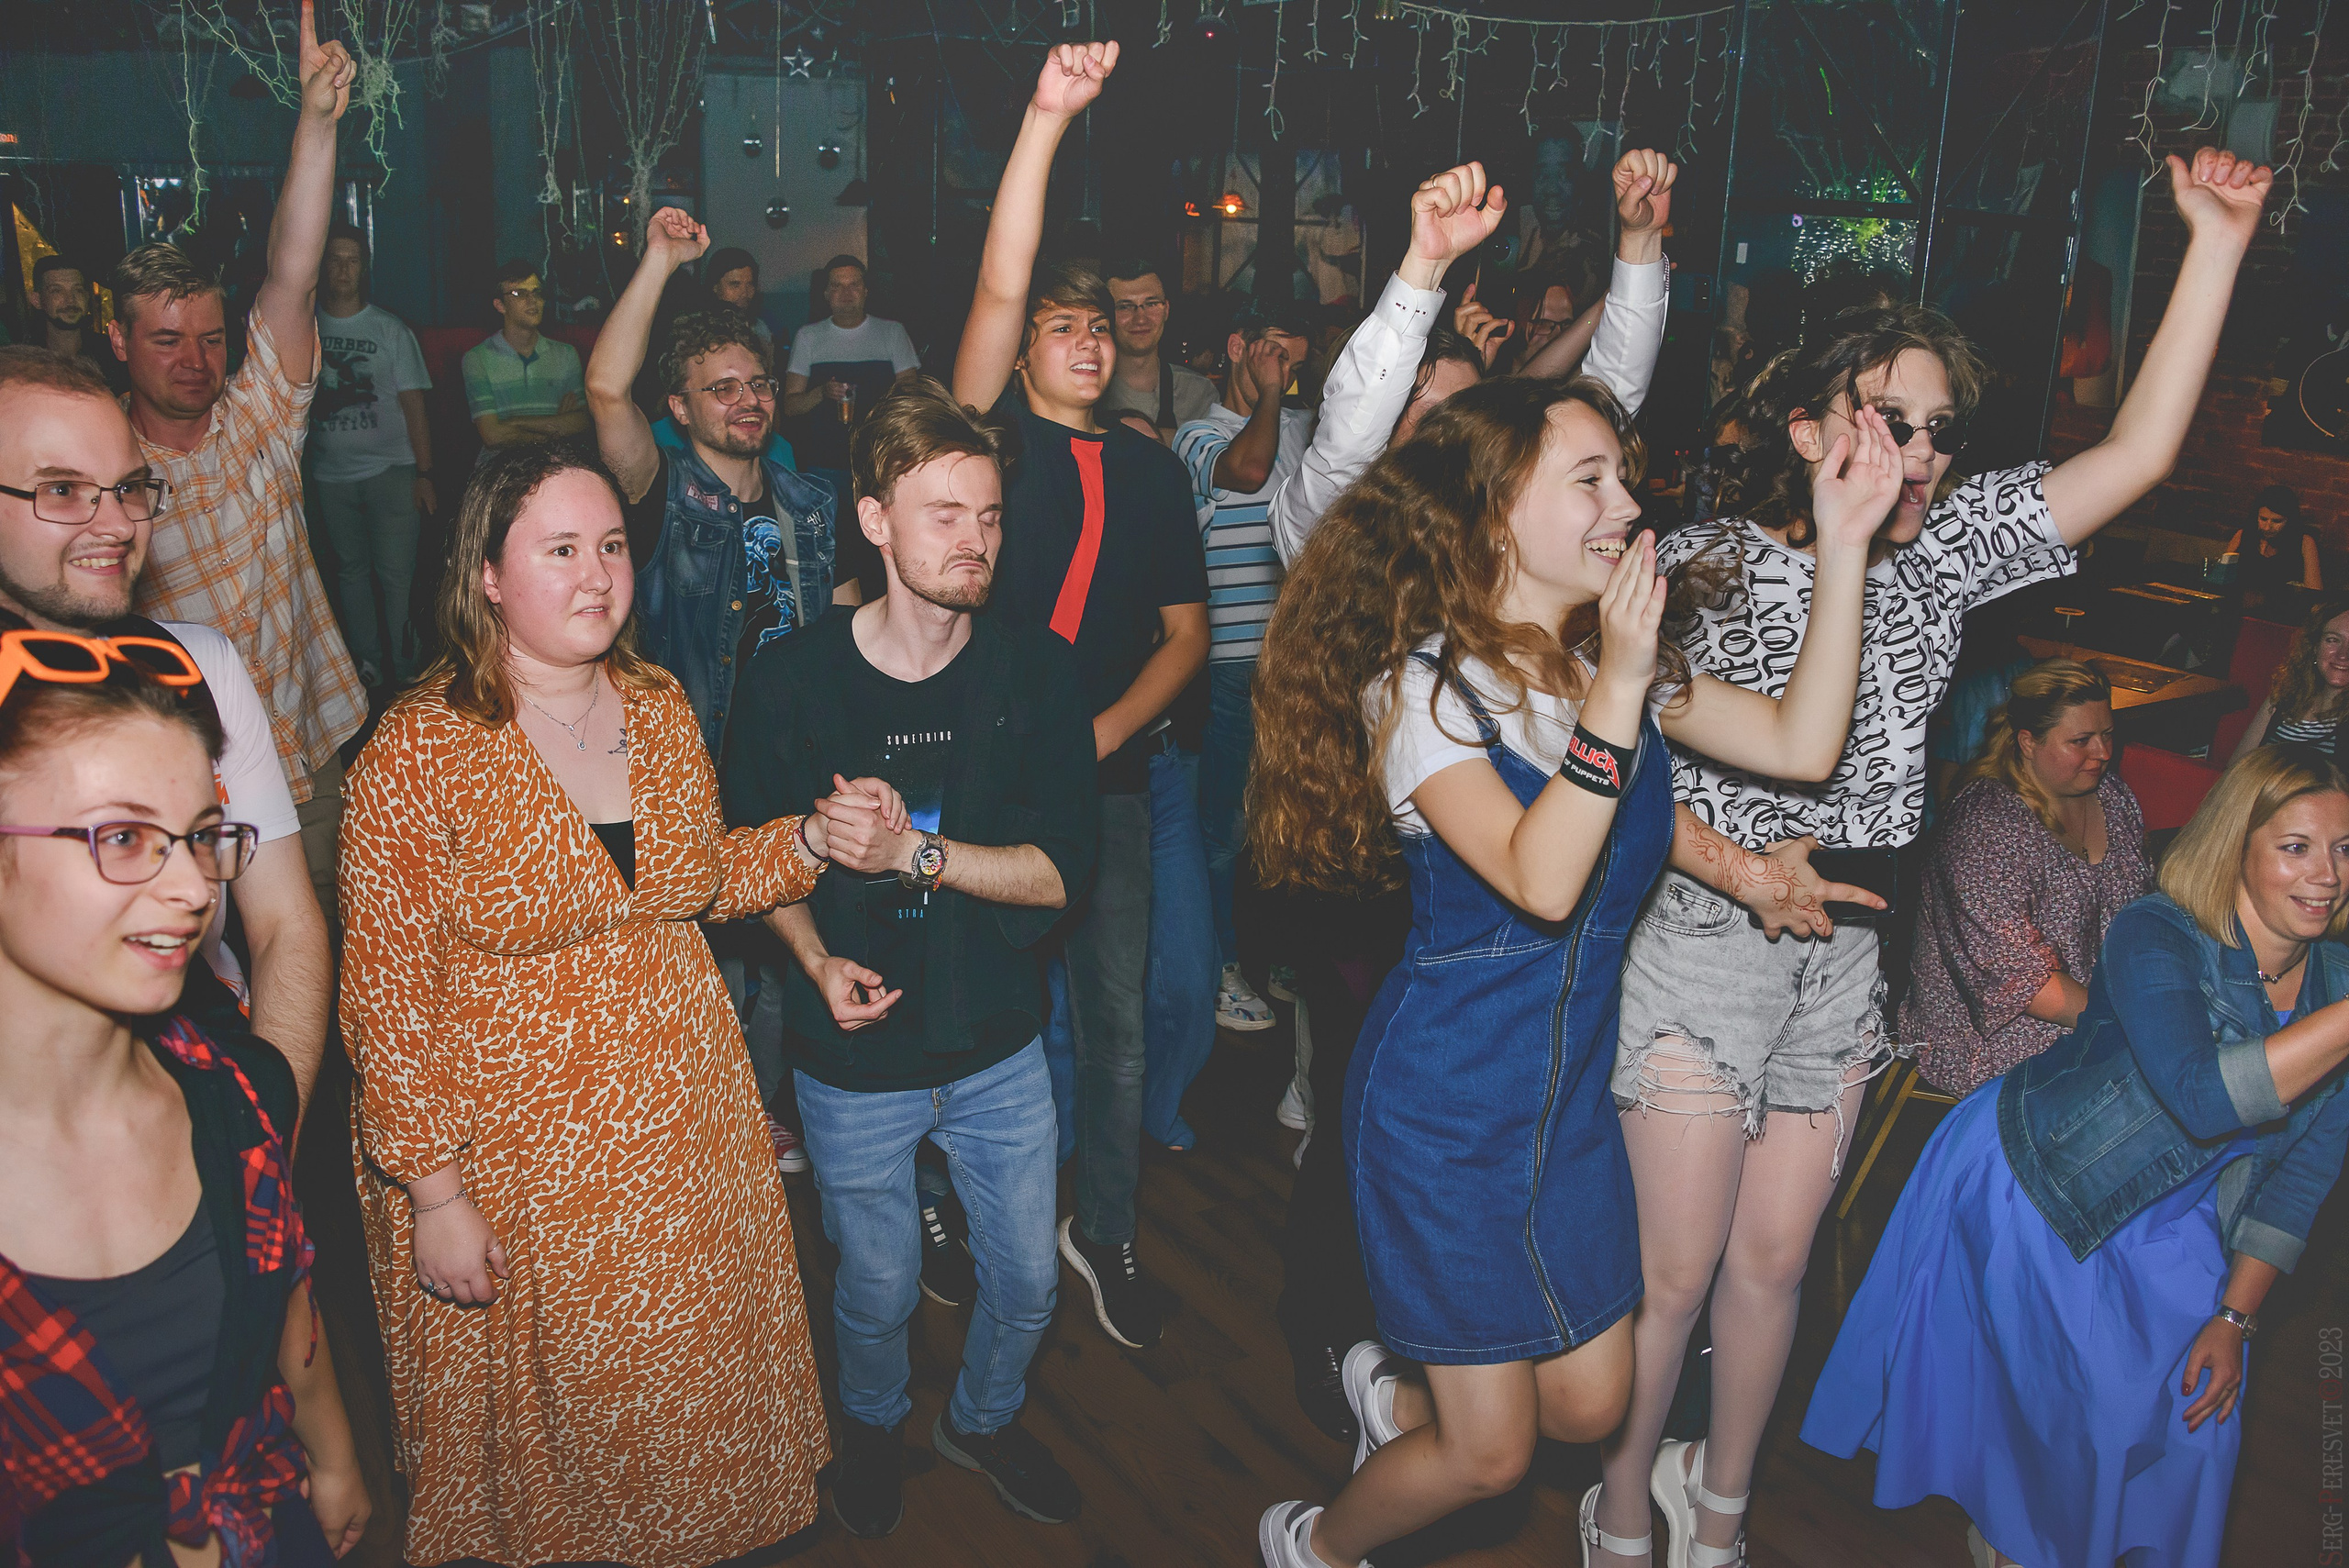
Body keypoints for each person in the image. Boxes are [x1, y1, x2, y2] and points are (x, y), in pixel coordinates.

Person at [1592, 146, 2274, 1568]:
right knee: (1672, 1278)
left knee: (1774, 1269)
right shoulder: (1704, 567)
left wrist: (2214, 243)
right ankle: (1616, 1514)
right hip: (1712, 941)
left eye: (1939, 430)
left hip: (1850, 958)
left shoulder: (1947, 549)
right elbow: (1627, 776)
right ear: (1803, 427)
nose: (1918, 456)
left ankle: (1718, 1522)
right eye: (1884, 421)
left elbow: (2141, 454)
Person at [1247, 374, 1893, 1568]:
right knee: (1491, 1458)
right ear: (1497, 514)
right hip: (1441, 1115)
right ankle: (1313, 1545)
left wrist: (1847, 543)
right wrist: (1621, 686)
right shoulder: (1427, 692)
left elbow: (1802, 744)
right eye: (1590, 479)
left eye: (1625, 475)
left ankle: (1395, 1401)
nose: (1627, 503)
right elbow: (1542, 879)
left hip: (1567, 1111)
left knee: (1595, 1408)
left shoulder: (1613, 661)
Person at [337, 439, 831, 1567]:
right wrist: (433, 1191)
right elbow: (386, 996)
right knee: (572, 1436)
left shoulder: (655, 704)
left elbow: (694, 882)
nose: (598, 573)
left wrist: (805, 840)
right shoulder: (417, 751)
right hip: (519, 1159)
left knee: (688, 1399)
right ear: (488, 577)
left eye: (610, 544)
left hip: (681, 1115)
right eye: (560, 549)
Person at [1259, 154, 1671, 1439]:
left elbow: (1601, 424)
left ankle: (1418, 1364)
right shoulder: (1344, 525)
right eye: (1425, 417)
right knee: (1369, 1144)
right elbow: (1351, 428)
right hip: (1384, 895)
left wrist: (1640, 258)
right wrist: (1420, 272)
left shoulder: (1533, 570)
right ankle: (1375, 1358)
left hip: (1504, 931)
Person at [1806, 743, 2349, 1568]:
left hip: (2180, 1214)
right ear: (2238, 843)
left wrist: (2236, 1318)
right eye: (2296, 846)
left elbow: (2302, 1172)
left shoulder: (2332, 979)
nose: (2327, 875)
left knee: (2190, 1432)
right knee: (2060, 1442)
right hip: (2043, 1182)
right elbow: (2203, 1097)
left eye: (2346, 847)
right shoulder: (2157, 931)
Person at [722, 378, 1099, 1535]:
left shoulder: (1034, 672)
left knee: (1028, 1281)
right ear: (875, 519)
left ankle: (979, 1421)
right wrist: (812, 958)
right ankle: (875, 1424)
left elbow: (1057, 873)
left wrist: (910, 853)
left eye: (987, 516)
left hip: (998, 1042)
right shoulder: (791, 677)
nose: (974, 539)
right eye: (944, 514)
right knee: (877, 1284)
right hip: (856, 1059)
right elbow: (744, 860)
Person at [0, 625, 368, 1567]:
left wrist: (330, 1456)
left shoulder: (230, 1087)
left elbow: (285, 1305)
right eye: (124, 837)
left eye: (202, 838)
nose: (193, 886)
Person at [952, 40, 1208, 1351]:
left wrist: (1099, 735)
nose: (1089, 341)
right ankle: (966, 1208)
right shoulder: (987, 435)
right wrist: (1046, 117)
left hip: (1107, 779)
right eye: (1066, 325)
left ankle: (1100, 1230)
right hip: (988, 776)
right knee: (989, 1011)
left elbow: (1186, 635)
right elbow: (1001, 280)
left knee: (1124, 1022)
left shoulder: (1157, 474)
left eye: (1101, 325)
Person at [0, 347, 329, 1115]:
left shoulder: (199, 667)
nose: (114, 524)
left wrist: (263, 1134)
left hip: (212, 1086)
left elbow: (284, 923)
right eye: (62, 490)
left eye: (128, 488)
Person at [116, 0, 367, 927]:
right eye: (168, 340)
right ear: (118, 340)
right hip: (181, 770)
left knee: (334, 954)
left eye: (213, 338)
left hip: (304, 747)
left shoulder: (258, 412)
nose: (197, 360)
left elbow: (292, 270)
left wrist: (315, 121)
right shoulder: (106, 472)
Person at [587, 206, 851, 761]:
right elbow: (607, 389)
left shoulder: (814, 502)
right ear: (680, 408)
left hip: (798, 759)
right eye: (723, 389)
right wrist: (659, 260)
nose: (749, 400)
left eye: (758, 383)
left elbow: (846, 638)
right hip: (692, 762)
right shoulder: (661, 492)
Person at [1905, 661, 2151, 1096]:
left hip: (2096, 1015)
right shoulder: (1983, 826)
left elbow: (2141, 912)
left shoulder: (2113, 797)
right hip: (1998, 1045)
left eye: (2107, 734)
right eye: (2081, 741)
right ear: (2028, 742)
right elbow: (2021, 981)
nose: (2103, 752)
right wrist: (2136, 1024)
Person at [1174, 299, 1316, 1034]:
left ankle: (1273, 954)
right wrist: (1267, 398)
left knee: (1285, 824)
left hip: (1293, 662)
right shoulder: (1197, 433)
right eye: (1273, 358)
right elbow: (1247, 469)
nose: (1287, 375)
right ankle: (1219, 965)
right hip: (1228, 659)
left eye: (1294, 362)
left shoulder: (1302, 427)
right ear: (1237, 348)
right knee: (1223, 826)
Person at [312, 221, 434, 688]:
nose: (343, 268)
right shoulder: (307, 325)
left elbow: (415, 405)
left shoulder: (389, 329)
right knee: (349, 572)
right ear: (322, 266)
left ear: (363, 268)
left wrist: (425, 472)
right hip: (329, 475)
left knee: (397, 576)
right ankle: (366, 663)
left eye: (352, 259)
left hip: (393, 472)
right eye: (335, 259)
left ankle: (406, 669)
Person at [784, 253, 922, 491]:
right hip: (824, 462)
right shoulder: (808, 336)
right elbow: (790, 406)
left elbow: (912, 393)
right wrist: (821, 392)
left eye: (854, 285)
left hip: (880, 459)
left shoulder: (892, 332)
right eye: (837, 285)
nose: (846, 292)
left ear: (866, 291)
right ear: (826, 294)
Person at [461, 258, 588, 450]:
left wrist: (516, 422)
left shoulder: (565, 354)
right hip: (501, 471)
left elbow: (582, 422)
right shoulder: (477, 358)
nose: (532, 300)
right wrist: (555, 429)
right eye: (519, 293)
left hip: (554, 466)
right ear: (500, 305)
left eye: (536, 292)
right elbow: (493, 435)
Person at [1101, 258, 1219, 439]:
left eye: (1151, 304)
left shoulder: (1199, 393)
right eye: (1125, 307)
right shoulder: (1092, 392)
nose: (1140, 318)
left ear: (1167, 310)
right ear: (1106, 314)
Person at [2232, 593, 2349, 762]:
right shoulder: (2284, 695)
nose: (2343, 655)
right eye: (2332, 640)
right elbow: (2236, 767)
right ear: (2314, 647)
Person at [28, 255, 124, 389]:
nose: (70, 300)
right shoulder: (25, 361)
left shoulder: (113, 354)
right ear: (37, 300)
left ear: (87, 296)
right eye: (56, 291)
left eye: (78, 290)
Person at [2225, 482, 2321, 598]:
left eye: (2277, 521)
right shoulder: (2242, 536)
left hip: (2282, 610)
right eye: (2263, 519)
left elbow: (2314, 593)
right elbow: (2222, 578)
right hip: (2241, 608)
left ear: (2290, 521)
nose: (2267, 527)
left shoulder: (2304, 542)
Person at [705, 245, 775, 356]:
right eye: (735, 284)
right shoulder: (700, 329)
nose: (744, 293)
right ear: (715, 287)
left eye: (750, 284)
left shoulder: (759, 328)